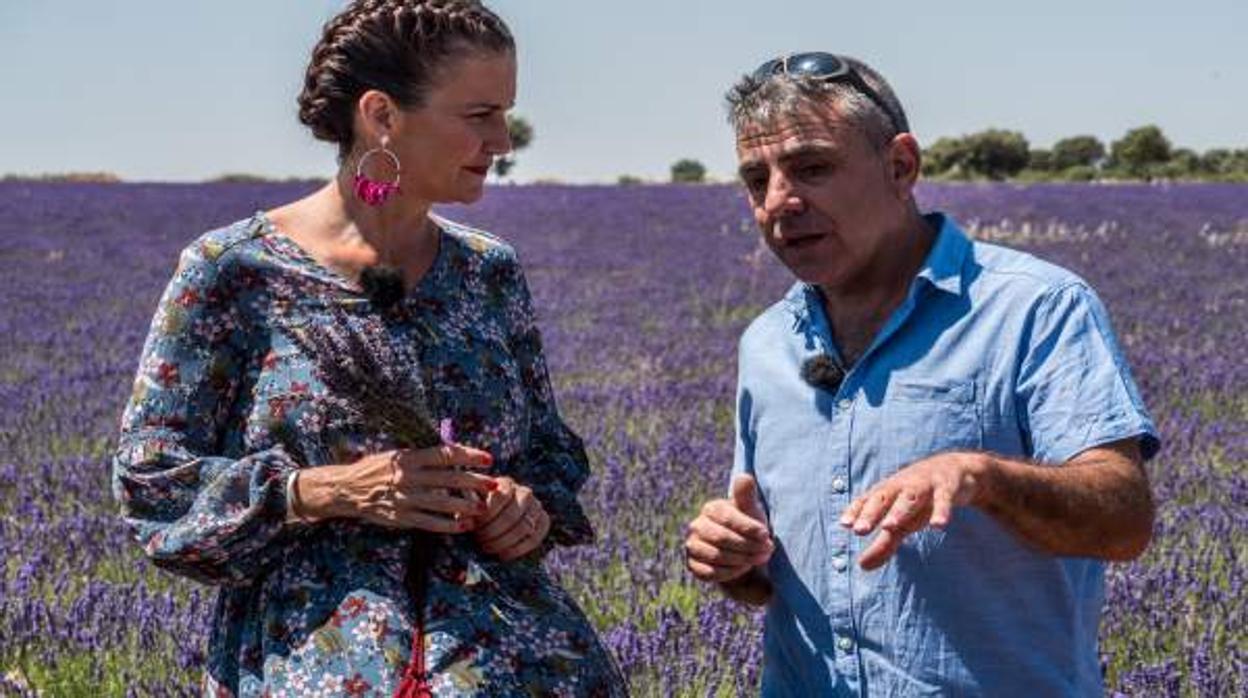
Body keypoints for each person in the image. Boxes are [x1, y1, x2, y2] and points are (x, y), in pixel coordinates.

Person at [112, 1, 624, 695]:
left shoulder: (488, 270)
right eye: (479, 116)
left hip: (520, 667)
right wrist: (326, 491)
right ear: (381, 115)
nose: (503, 139)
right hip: (312, 665)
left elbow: (546, 452)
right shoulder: (233, 271)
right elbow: (153, 484)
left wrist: (525, 507)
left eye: (505, 113)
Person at [683, 52, 1159, 696]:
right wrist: (732, 558)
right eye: (755, 178)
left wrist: (981, 477)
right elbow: (773, 573)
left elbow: (1123, 519)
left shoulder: (1033, 308)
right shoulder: (766, 344)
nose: (779, 201)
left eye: (811, 168)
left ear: (900, 166)